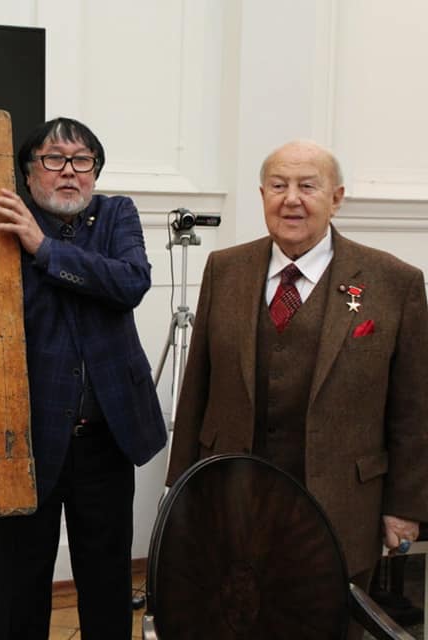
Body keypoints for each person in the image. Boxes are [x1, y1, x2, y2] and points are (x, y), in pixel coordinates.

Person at [166, 139, 428, 640]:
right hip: (234, 501)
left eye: (308, 186)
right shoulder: (224, 269)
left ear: (337, 198)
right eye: (279, 186)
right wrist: (180, 486)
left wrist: (405, 507)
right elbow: (197, 385)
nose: (292, 199)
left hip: (340, 506)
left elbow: (413, 410)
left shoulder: (394, 282)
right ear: (262, 194)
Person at [0, 117, 167, 638]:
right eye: (54, 158)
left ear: (95, 172)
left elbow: (131, 281)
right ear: (27, 172)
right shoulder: (1, 226)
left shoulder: (116, 214)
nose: (69, 171)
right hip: (26, 443)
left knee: (107, 586)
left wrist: (43, 249)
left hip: (106, 439)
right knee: (21, 589)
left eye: (82, 160)